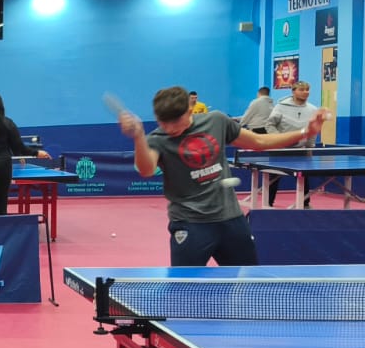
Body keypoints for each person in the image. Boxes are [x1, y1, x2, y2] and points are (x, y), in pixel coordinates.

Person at [117, 84, 324, 265]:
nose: (169, 128)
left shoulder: (216, 121)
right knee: (184, 288)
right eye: (163, 122)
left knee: (248, 281)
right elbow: (146, 170)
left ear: (189, 109)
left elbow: (259, 142)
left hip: (231, 220)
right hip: (190, 223)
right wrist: (138, 137)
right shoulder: (157, 139)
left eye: (175, 121)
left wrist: (305, 132)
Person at [264, 81, 321, 206]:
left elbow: (312, 130)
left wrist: (310, 147)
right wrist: (279, 139)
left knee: (303, 178)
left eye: (307, 90)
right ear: (293, 91)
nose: (305, 92)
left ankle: (305, 204)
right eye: (302, 89)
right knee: (273, 177)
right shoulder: (280, 107)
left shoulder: (313, 109)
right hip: (279, 149)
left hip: (299, 150)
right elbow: (269, 124)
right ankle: (267, 203)